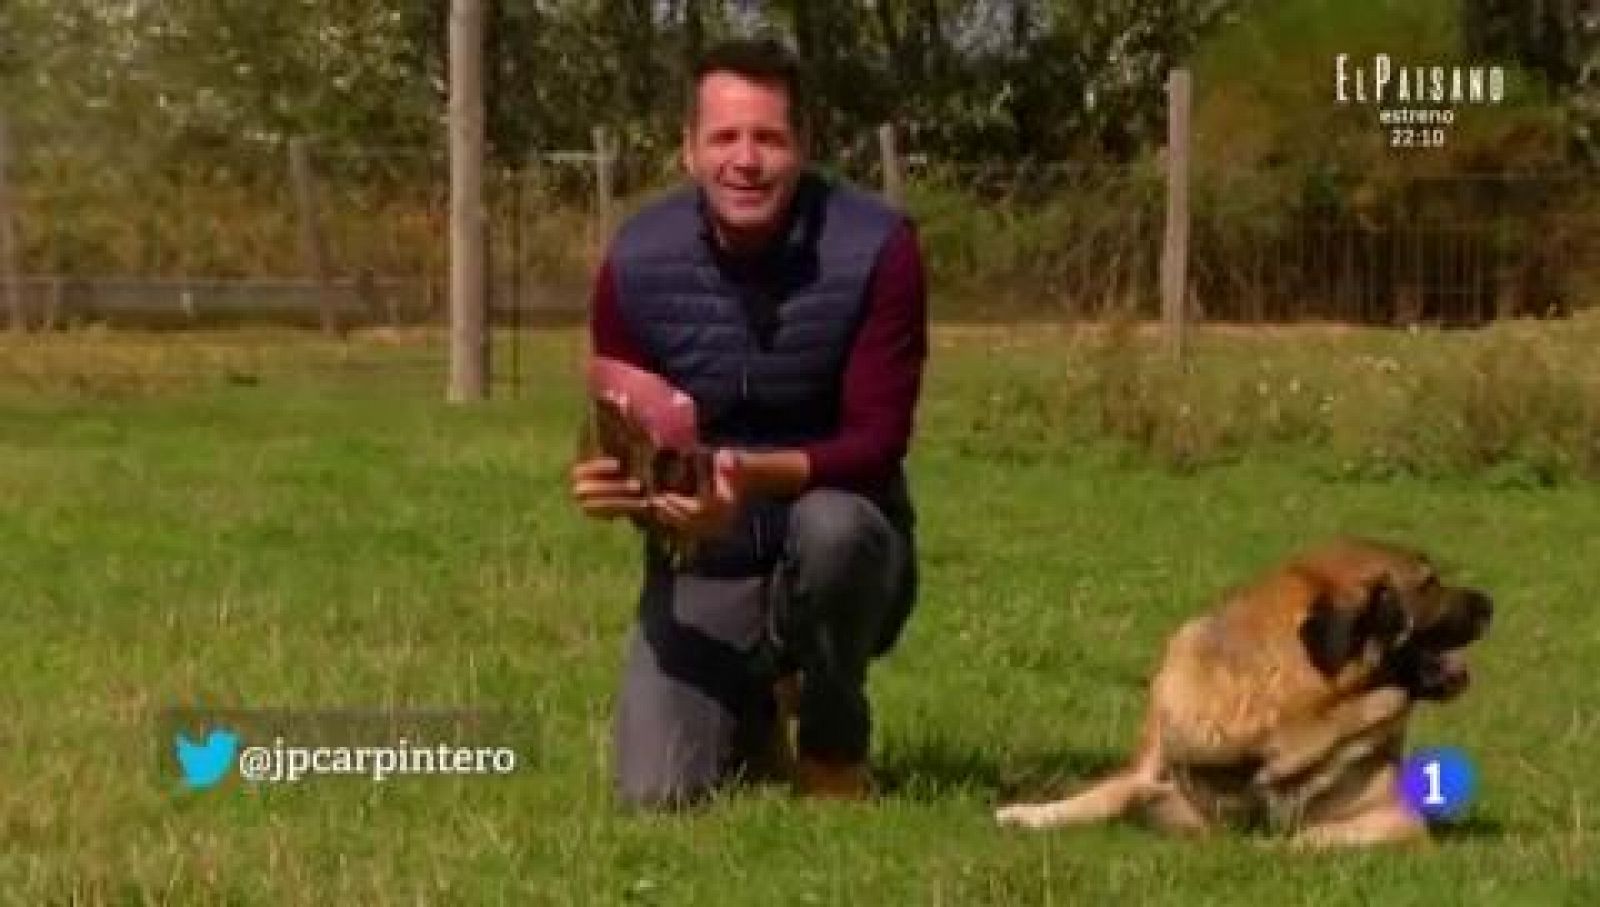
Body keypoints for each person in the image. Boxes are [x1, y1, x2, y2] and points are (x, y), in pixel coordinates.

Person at [569, 36, 928, 810]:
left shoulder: (880, 248)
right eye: (724, 137)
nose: (746, 159)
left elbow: (876, 445)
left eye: (768, 137)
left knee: (835, 531)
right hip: (706, 556)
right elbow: (631, 431)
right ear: (688, 150)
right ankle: (757, 703)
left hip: (851, 546)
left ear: (804, 146)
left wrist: (743, 475)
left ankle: (833, 738)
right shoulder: (634, 260)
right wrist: (616, 489)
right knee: (655, 795)